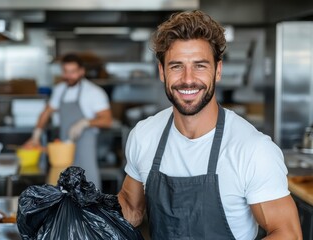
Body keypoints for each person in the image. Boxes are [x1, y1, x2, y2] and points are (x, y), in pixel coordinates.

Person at [118, 10, 302, 240]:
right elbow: (131, 208)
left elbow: (287, 233)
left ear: (218, 71)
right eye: (176, 66)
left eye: (200, 65)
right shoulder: (144, 136)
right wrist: (85, 212)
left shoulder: (253, 149)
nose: (187, 78)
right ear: (162, 72)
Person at [26, 53, 112, 190]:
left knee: (88, 191)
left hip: (85, 153)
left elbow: (107, 120)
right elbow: (46, 112)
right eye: (66, 72)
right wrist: (35, 136)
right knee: (64, 194)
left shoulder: (94, 93)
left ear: (81, 71)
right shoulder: (60, 90)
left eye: (73, 72)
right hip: (63, 154)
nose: (68, 76)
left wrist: (85, 123)